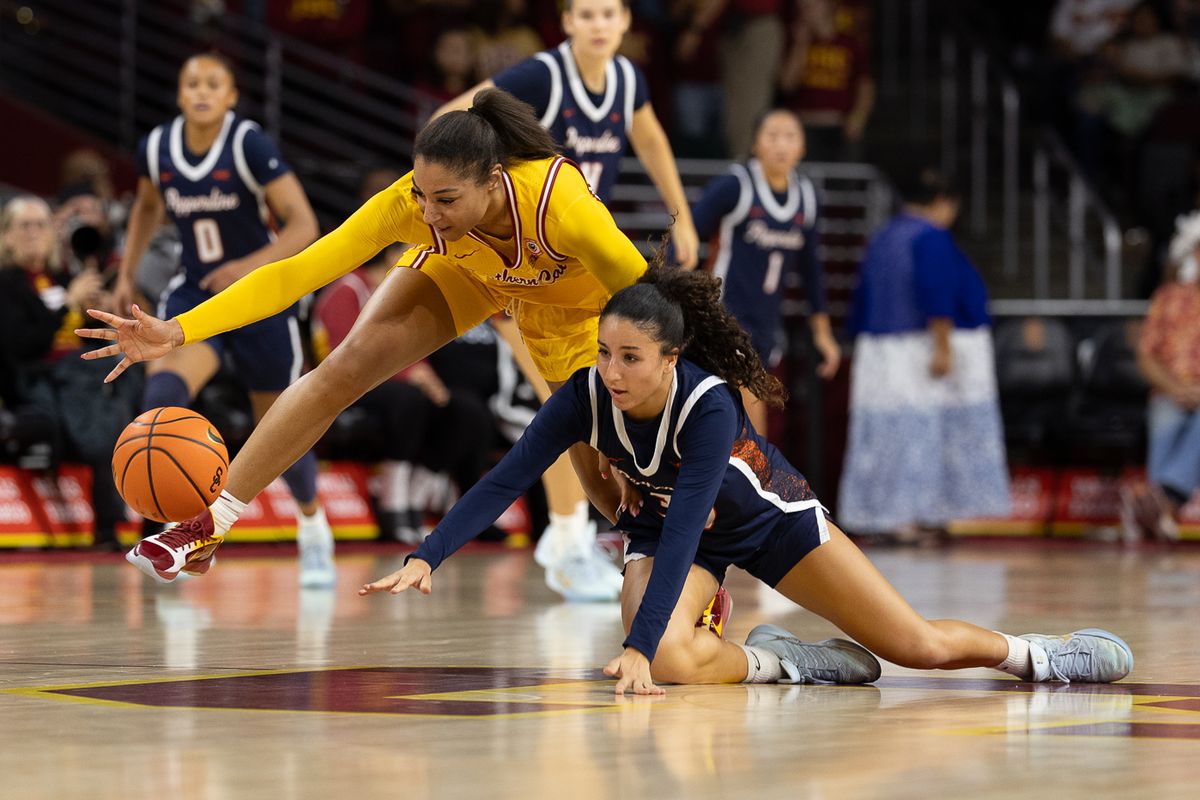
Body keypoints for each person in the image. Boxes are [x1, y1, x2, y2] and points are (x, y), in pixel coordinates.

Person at [359, 264, 1134, 696]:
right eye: (603, 353)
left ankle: (1039, 655)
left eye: (631, 358)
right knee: (669, 662)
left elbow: (698, 518)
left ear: (670, 358)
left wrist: (631, 642)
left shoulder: (707, 405)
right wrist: (428, 554)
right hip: (669, 532)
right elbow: (505, 478)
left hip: (770, 524)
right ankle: (791, 661)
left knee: (918, 648)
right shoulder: (586, 396)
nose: (611, 370)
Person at [78, 88, 645, 587]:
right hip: (472, 273)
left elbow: (652, 302)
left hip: (583, 309)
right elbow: (296, 273)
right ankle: (207, 527)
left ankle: (678, 556)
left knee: (606, 477)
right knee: (341, 370)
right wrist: (179, 330)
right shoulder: (415, 206)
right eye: (423, 195)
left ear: (494, 182)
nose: (430, 212)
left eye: (446, 199)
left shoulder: (560, 202)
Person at [435, 0, 701, 599]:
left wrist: (678, 212)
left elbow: (652, 139)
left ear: (627, 20)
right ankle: (566, 536)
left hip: (573, 268)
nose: (600, 23)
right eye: (587, 13)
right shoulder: (541, 76)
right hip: (519, 263)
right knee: (565, 404)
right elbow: (453, 117)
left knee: (583, 401)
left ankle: (575, 533)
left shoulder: (627, 79)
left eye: (610, 12)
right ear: (567, 22)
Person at [109, 52, 333, 586]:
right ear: (180, 94)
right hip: (196, 294)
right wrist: (127, 271)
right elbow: (145, 208)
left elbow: (304, 225)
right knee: (160, 400)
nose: (202, 91)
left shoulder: (249, 143)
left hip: (258, 297)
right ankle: (173, 528)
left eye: (214, 83)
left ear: (232, 96)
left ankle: (312, 521)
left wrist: (245, 268)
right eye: (192, 83)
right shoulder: (158, 147)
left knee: (277, 426)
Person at [839, 167, 1010, 542]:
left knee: (885, 433)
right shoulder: (931, 237)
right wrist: (943, 345)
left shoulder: (882, 236)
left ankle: (884, 514)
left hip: (878, 349)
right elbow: (937, 292)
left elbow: (861, 298)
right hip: (917, 348)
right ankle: (909, 516)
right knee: (919, 434)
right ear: (943, 203)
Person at [690, 108, 840, 436]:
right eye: (772, 136)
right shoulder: (735, 185)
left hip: (766, 323)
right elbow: (686, 235)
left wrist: (823, 332)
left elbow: (811, 269)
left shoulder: (807, 198)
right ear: (756, 143)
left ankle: (741, 483)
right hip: (723, 316)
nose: (781, 145)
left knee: (746, 427)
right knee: (747, 424)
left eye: (790, 137)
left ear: (802, 147)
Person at [0, 196, 133, 550]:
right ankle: (112, 523)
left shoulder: (63, 277)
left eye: (40, 225)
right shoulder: (7, 284)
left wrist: (99, 313)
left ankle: (131, 513)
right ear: (7, 236)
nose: (33, 233)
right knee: (99, 402)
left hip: (80, 374)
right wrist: (68, 306)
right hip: (36, 379)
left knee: (129, 368)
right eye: (23, 226)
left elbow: (85, 333)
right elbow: (20, 345)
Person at [1126, 209, 1200, 541]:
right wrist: (1175, 388)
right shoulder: (1168, 297)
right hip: (1167, 393)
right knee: (1165, 418)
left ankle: (1159, 502)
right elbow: (1145, 357)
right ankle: (1164, 507)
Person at [779, 0, 876, 162]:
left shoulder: (850, 44)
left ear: (828, 6)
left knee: (843, 177)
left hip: (839, 127)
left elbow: (865, 86)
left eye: (812, 6)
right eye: (802, 8)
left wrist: (858, 118)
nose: (807, 12)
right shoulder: (795, 43)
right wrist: (800, 45)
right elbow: (787, 84)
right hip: (804, 127)